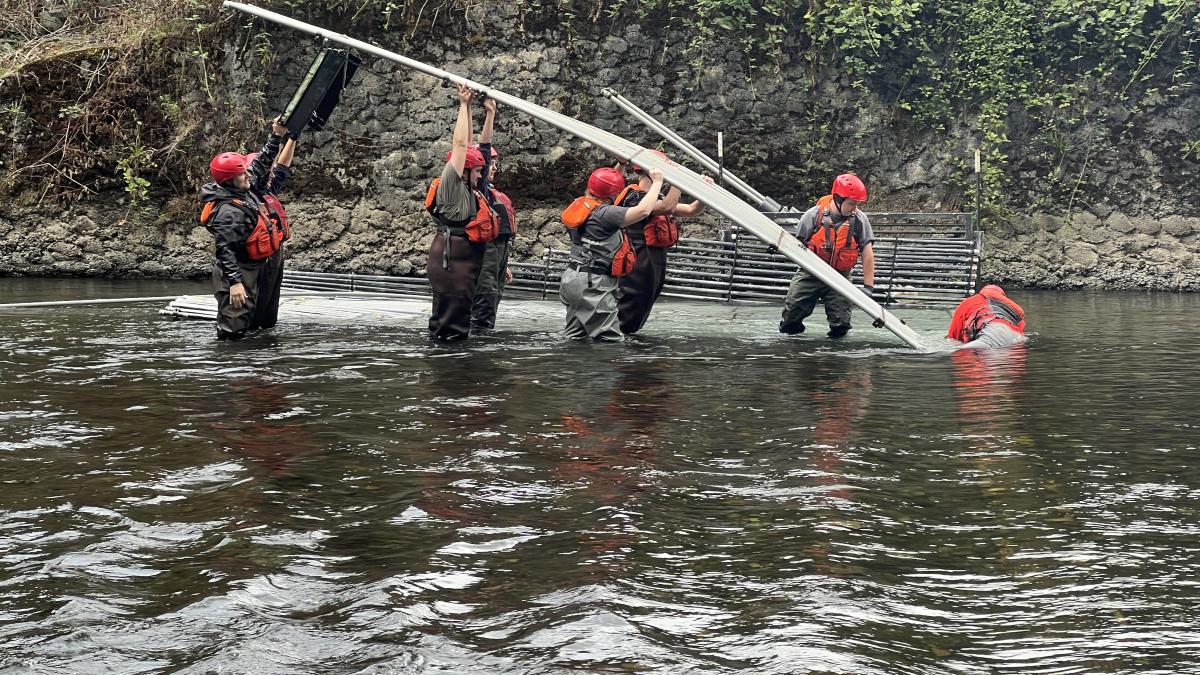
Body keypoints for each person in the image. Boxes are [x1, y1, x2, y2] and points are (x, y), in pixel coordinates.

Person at [424, 84, 502, 342]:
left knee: (457, 319)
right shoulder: (451, 186)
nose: (482, 174)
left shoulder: (469, 187)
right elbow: (460, 146)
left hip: (462, 261)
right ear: (465, 171)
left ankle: (452, 363)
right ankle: (448, 369)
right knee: (450, 325)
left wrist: (473, 109)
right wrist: (463, 105)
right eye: (477, 171)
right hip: (452, 260)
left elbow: (468, 147)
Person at [200, 119, 290, 340]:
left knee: (264, 323)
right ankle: (232, 366)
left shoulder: (243, 186)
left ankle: (260, 364)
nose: (248, 176)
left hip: (260, 264)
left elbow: (261, 163)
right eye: (242, 174)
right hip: (239, 270)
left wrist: (277, 135)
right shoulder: (228, 212)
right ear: (229, 181)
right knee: (234, 327)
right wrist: (235, 283)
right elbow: (224, 250)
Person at [560, 165, 664, 340]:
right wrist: (658, 182)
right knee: (610, 339)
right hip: (593, 283)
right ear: (614, 195)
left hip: (573, 279)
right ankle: (606, 368)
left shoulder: (580, 205)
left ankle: (569, 367)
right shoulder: (606, 215)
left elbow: (605, 188)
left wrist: (620, 165)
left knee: (576, 337)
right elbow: (643, 210)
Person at [779, 173, 877, 339]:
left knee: (841, 324)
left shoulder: (860, 220)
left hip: (841, 276)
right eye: (851, 203)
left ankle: (834, 358)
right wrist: (778, 246)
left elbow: (867, 254)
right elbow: (796, 245)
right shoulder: (812, 216)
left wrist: (868, 287)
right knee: (791, 319)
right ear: (838, 199)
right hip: (810, 273)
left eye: (858, 204)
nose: (855, 208)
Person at [615, 151, 681, 335]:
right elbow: (667, 207)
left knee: (646, 299)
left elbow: (691, 210)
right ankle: (619, 334)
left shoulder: (654, 199)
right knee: (633, 299)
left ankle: (627, 333)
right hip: (639, 256)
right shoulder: (634, 196)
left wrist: (703, 194)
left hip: (654, 260)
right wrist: (678, 180)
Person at [470, 96, 517, 333]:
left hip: (498, 254)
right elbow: (483, 150)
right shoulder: (475, 189)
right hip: (486, 254)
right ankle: (478, 340)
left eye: (496, 164)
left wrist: (503, 264)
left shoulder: (493, 193)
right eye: (490, 164)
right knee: (485, 298)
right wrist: (490, 114)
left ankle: (483, 335)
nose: (494, 168)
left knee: (495, 296)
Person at [246, 128, 299, 331]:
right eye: (266, 172)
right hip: (260, 255)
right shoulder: (250, 191)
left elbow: (282, 167)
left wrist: (292, 138)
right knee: (258, 300)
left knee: (270, 303)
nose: (271, 175)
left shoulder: (268, 189)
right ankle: (253, 332)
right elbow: (264, 165)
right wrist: (276, 136)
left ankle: (267, 329)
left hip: (275, 252)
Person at [946, 284, 1027, 348]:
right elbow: (1021, 329)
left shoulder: (967, 302)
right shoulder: (1010, 310)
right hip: (1014, 337)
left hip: (988, 336)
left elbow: (953, 337)